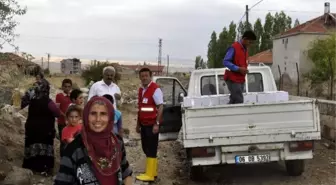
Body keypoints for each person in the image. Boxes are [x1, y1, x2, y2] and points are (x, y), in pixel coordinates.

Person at [54, 96, 133, 185]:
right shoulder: (74, 148)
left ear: (110, 117)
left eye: (103, 114)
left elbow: (126, 172)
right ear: (86, 116)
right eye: (93, 113)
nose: (98, 119)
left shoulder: (117, 142)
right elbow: (62, 181)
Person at [21, 78, 60, 175]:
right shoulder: (49, 102)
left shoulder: (31, 100)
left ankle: (31, 166)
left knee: (32, 145)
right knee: (46, 148)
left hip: (31, 129)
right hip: (45, 131)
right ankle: (45, 168)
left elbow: (20, 104)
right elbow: (57, 113)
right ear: (46, 88)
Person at [136, 68, 164, 182]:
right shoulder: (141, 90)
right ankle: (153, 171)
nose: (144, 78)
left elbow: (161, 107)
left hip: (152, 124)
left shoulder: (155, 89)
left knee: (151, 148)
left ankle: (150, 175)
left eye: (146, 76)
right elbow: (141, 108)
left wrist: (157, 124)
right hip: (143, 124)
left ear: (150, 76)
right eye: (142, 76)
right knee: (145, 147)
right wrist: (138, 124)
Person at [223, 30, 257, 104]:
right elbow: (225, 61)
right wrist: (238, 69)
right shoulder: (234, 47)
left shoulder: (245, 50)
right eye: (249, 42)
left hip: (240, 78)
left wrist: (244, 70)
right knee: (239, 99)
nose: (250, 44)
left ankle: (228, 114)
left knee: (234, 99)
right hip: (232, 78)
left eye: (252, 43)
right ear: (244, 39)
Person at [55, 79, 73, 156]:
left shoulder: (72, 96)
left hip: (72, 123)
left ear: (71, 87)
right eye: (65, 86)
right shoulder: (59, 96)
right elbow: (57, 109)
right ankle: (63, 159)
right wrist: (65, 115)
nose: (67, 88)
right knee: (63, 142)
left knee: (71, 141)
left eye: (69, 87)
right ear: (62, 87)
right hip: (62, 123)